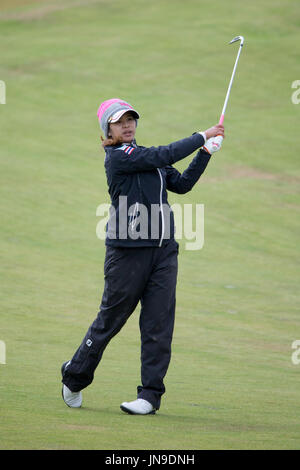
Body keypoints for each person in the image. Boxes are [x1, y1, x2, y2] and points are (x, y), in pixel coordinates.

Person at [61, 98, 224, 415]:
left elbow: (182, 184)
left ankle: (149, 396)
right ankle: (74, 376)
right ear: (108, 128)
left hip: (163, 253)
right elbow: (164, 154)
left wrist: (205, 154)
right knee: (110, 321)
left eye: (131, 119)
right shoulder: (119, 158)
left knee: (158, 326)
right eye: (120, 120)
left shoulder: (148, 158)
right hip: (127, 255)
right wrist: (200, 137)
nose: (127, 124)